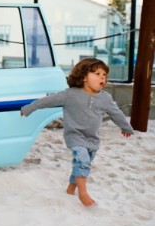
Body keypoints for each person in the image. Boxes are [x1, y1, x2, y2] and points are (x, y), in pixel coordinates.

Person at [20, 58, 134, 207]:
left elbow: (116, 113)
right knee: (82, 160)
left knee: (83, 163)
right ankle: (83, 193)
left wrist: (125, 127)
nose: (102, 77)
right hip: (75, 136)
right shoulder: (70, 94)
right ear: (84, 77)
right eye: (97, 73)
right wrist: (29, 108)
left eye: (104, 75)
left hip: (93, 139)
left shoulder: (105, 98)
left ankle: (70, 189)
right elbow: (46, 101)